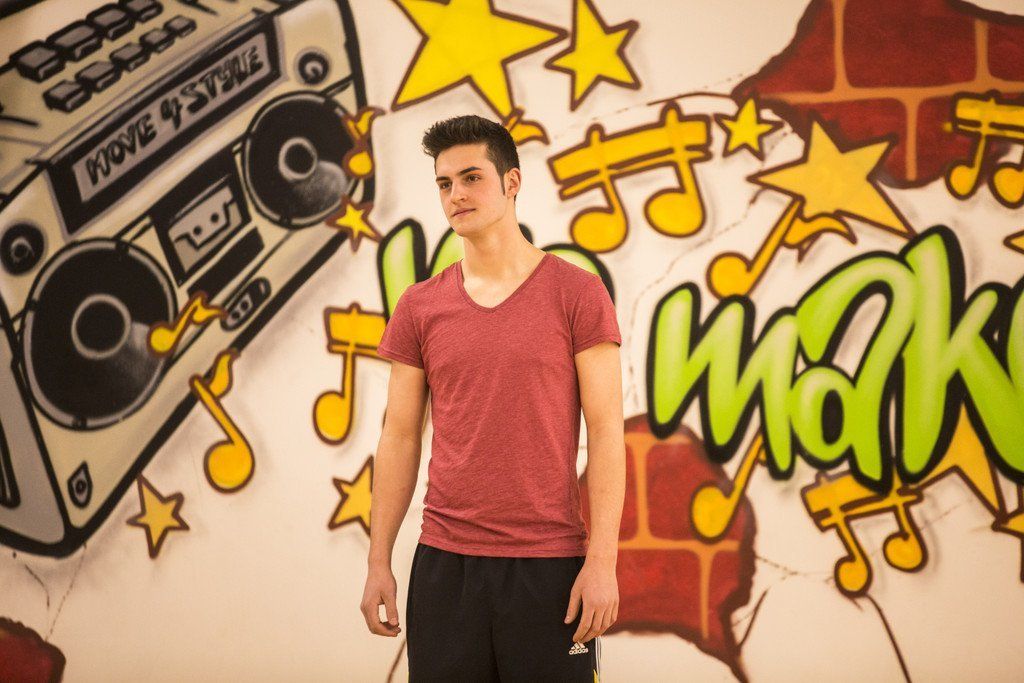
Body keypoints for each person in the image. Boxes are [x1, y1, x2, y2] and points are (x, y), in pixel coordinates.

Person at [360, 114, 625, 682]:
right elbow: (399, 436)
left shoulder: (578, 293)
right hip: (445, 567)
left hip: (549, 567)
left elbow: (607, 434)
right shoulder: (420, 306)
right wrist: (378, 560)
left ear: (512, 182)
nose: (456, 194)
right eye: (444, 183)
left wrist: (603, 561)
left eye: (471, 177)